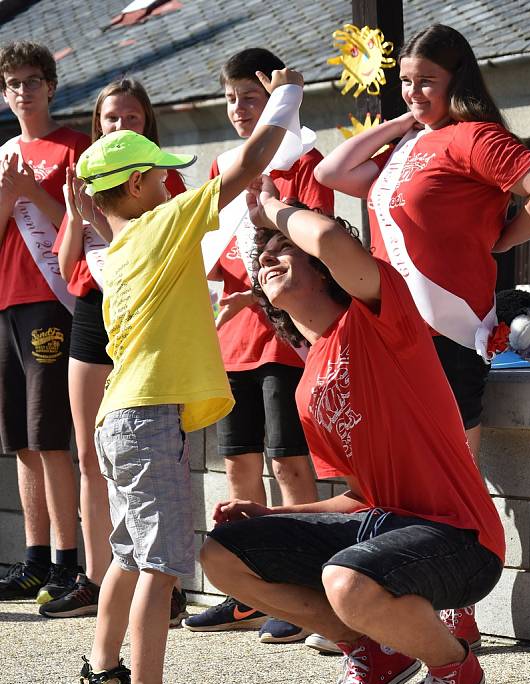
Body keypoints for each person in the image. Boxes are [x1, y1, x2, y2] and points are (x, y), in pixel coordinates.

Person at [199, 175, 505, 684]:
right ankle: (373, 653)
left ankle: (451, 668)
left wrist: (271, 208)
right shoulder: (307, 382)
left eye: (286, 250)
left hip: (462, 538)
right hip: (384, 527)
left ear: (324, 269)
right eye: (264, 256)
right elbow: (360, 497)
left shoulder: (380, 320)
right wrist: (277, 516)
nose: (269, 257)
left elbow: (337, 244)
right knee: (222, 554)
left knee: (347, 579)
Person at [76, 67, 305, 684]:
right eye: (162, 174)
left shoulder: (115, 250)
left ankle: (103, 666)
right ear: (142, 184)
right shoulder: (164, 223)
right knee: (162, 562)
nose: (173, 182)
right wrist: (287, 94)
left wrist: (211, 309)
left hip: (118, 419)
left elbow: (153, 320)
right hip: (151, 422)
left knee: (128, 553)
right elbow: (253, 159)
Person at [314, 23, 530, 647]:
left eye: (426, 82)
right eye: (406, 82)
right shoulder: (412, 145)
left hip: (448, 337)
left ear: (458, 80)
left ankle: (455, 613)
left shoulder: (475, 139)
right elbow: (334, 172)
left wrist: (496, 241)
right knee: (404, 482)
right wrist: (402, 121)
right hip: (393, 338)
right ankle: (406, 609)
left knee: (453, 481)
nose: (414, 92)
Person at [184, 47, 334, 644]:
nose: (239, 109)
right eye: (230, 99)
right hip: (233, 335)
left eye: (251, 97)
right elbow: (214, 254)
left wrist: (264, 296)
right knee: (239, 461)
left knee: (288, 460)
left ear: (277, 98)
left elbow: (311, 242)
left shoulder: (304, 159)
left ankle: (307, 593)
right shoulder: (229, 167)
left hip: (284, 334)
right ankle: (247, 590)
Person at [38, 78, 189, 621]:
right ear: (96, 125)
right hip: (91, 315)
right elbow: (64, 262)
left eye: (130, 118)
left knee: (150, 454)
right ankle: (97, 578)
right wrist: (78, 214)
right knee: (90, 455)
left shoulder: (160, 178)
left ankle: (160, 580)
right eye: (109, 119)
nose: (120, 127)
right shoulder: (85, 177)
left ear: (146, 122)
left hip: (145, 324)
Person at [0, 41, 89, 603]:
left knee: (51, 434)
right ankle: (33, 558)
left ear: (50, 86)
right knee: (21, 440)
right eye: (12, 84)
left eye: (31, 81)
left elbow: (84, 226)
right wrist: (9, 197)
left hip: (51, 299)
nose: (22, 92)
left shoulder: (74, 146)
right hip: (6, 299)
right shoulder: (3, 151)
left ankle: (66, 559)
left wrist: (34, 191)